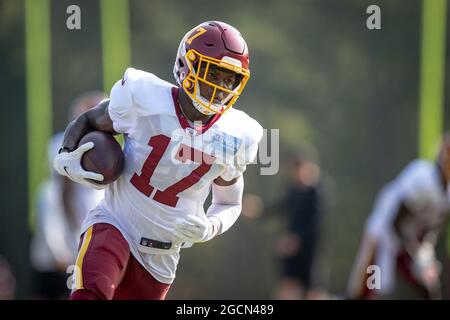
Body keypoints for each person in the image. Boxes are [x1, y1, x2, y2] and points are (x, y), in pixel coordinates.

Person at [53, 21, 263, 300]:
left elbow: (229, 202)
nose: (220, 86)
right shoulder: (144, 96)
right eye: (211, 72)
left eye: (228, 79)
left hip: (163, 255)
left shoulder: (238, 135)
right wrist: (66, 156)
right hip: (116, 223)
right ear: (186, 65)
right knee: (90, 294)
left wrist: (210, 227)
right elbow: (91, 118)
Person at [347, 134, 450, 299]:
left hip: (411, 242)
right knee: (371, 289)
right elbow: (395, 222)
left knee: (429, 288)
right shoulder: (423, 177)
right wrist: (414, 254)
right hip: (385, 235)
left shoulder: (447, 193)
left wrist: (423, 255)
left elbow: (431, 229)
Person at [30, 92, 106, 299]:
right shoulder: (50, 193)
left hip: (86, 254)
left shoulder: (107, 163)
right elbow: (55, 202)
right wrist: (61, 252)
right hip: (59, 260)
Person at [273, 154, 325, 299]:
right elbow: (280, 207)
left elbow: (314, 223)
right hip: (291, 249)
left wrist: (296, 239)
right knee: (287, 286)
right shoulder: (292, 191)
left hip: (308, 249)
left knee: (313, 290)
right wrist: (259, 210)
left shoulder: (315, 192)